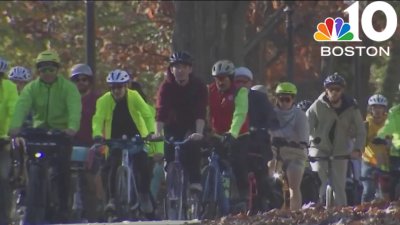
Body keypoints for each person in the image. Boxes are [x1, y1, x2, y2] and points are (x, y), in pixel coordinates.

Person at [9, 49, 82, 223]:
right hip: (39, 133)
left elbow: (74, 108)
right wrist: (14, 127)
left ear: (57, 70)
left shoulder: (68, 88)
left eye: (51, 69)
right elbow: (21, 106)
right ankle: (28, 199)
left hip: (61, 135)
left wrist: (71, 128)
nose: (47, 73)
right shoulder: (32, 88)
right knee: (28, 161)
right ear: (38, 72)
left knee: (62, 171)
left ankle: (63, 209)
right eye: (43, 70)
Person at [92, 69, 154, 214]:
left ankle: (144, 195)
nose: (116, 91)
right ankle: (112, 199)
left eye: (119, 87)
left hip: (136, 136)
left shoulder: (134, 96)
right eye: (113, 87)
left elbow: (147, 115)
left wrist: (150, 132)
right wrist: (97, 135)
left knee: (144, 164)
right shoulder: (103, 101)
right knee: (113, 165)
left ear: (126, 86)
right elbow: (98, 119)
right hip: (114, 139)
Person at [306, 73, 366, 206]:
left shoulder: (351, 107)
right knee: (319, 180)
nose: (334, 92)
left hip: (341, 151)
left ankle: (341, 214)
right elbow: (306, 126)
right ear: (325, 90)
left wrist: (357, 149)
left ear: (342, 91)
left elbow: (361, 131)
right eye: (330, 89)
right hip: (319, 148)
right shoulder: (317, 105)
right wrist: (304, 145)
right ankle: (317, 209)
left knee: (339, 186)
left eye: (337, 89)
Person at [154, 51, 208, 192]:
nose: (180, 71)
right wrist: (158, 132)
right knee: (170, 154)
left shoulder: (199, 86)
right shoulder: (166, 87)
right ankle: (172, 185)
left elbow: (200, 111)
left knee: (192, 148)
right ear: (171, 70)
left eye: (184, 67)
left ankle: (195, 181)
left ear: (190, 69)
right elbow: (161, 111)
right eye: (176, 67)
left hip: (193, 125)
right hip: (173, 125)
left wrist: (199, 133)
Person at [234, 67, 277, 213]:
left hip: (257, 142)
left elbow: (272, 118)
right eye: (237, 81)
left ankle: (267, 201)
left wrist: (264, 128)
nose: (240, 84)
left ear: (250, 82)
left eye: (244, 81)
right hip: (237, 142)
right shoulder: (228, 97)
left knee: (262, 175)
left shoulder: (259, 98)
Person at [208, 59, 249, 205]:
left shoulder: (240, 91)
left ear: (231, 78)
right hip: (217, 135)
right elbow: (204, 110)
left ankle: (243, 194)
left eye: (223, 78)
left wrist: (233, 133)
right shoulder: (210, 90)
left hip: (238, 136)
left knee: (237, 162)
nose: (220, 82)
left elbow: (240, 113)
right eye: (217, 79)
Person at [268, 82, 309, 211]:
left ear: (293, 99)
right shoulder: (271, 114)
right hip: (275, 151)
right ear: (276, 98)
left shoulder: (300, 115)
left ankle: (295, 213)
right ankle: (270, 205)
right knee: (270, 166)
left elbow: (304, 136)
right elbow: (267, 131)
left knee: (294, 184)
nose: (284, 102)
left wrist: (300, 142)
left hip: (295, 153)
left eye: (288, 99)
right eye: (281, 99)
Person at [69, 63, 102, 221]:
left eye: (84, 79)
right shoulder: (66, 99)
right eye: (77, 79)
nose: (81, 82)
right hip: (69, 145)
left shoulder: (97, 100)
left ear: (90, 81)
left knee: (91, 178)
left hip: (92, 145)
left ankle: (94, 214)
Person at [361, 94, 390, 202]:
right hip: (369, 161)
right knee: (368, 190)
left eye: (380, 107)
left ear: (384, 109)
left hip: (385, 161)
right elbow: (360, 142)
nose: (377, 110)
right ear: (370, 109)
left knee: (386, 192)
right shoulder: (366, 125)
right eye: (374, 107)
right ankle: (362, 213)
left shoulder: (389, 124)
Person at [0, 57, 18, 225]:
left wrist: (13, 129)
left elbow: (13, 110)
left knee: (3, 178)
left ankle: (4, 219)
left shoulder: (10, 88)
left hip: (2, 141)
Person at [376, 86, 400, 200]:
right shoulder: (395, 112)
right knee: (392, 181)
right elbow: (388, 128)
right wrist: (380, 137)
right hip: (397, 152)